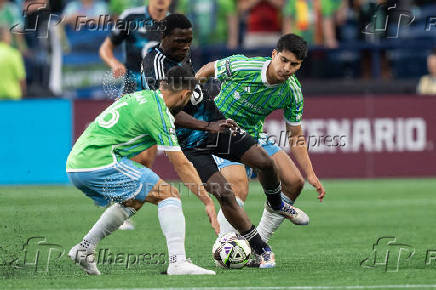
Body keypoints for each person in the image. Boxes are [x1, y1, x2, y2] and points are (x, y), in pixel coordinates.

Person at [142, 14, 309, 268]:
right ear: (164, 38)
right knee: (227, 193)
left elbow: (195, 87)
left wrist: (208, 109)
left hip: (218, 124)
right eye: (181, 41)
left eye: (189, 41)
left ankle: (277, 204)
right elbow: (166, 111)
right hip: (192, 141)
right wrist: (207, 124)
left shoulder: (180, 55)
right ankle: (261, 249)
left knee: (264, 162)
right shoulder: (155, 63)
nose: (186, 46)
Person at [66, 65, 216, 276]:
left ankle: (85, 248)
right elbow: (181, 164)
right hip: (98, 162)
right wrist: (207, 201)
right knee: (168, 194)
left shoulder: (142, 97)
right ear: (186, 94)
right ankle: (178, 262)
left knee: (134, 200)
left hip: (77, 164)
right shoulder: (159, 113)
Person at [195, 33, 326, 243]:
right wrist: (190, 94)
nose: (287, 68)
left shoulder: (292, 91)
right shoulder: (243, 66)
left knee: (294, 183)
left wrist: (310, 173)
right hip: (219, 131)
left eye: (294, 64)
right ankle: (225, 245)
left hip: (252, 135)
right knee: (238, 185)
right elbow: (209, 68)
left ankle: (259, 243)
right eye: (284, 60)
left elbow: (295, 136)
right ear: (274, 54)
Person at [0, 26, 26, 100]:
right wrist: (23, 95)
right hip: (12, 98)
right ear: (6, 37)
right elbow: (21, 78)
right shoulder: (14, 54)